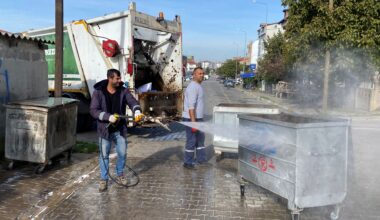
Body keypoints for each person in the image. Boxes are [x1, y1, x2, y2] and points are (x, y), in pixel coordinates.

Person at [90, 68, 144, 192]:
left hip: (120, 129)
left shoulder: (123, 91)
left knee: (122, 153)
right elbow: (93, 110)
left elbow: (132, 101)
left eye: (120, 78)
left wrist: (136, 110)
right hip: (105, 130)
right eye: (117, 78)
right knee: (104, 156)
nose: (120, 81)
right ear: (110, 78)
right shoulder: (98, 92)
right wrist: (107, 117)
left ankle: (120, 175)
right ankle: (104, 179)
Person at [182, 67, 207, 169]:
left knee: (200, 140)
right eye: (199, 73)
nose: (201, 75)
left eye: (202, 73)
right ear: (194, 75)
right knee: (191, 141)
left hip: (198, 118)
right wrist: (193, 123)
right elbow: (191, 106)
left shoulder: (198, 86)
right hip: (191, 118)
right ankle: (188, 162)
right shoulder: (193, 87)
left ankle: (201, 159)